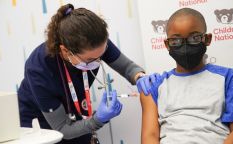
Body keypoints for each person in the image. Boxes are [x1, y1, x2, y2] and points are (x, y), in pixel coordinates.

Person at [17, 3, 146, 143]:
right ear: (65, 51)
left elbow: (128, 68)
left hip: (74, 111)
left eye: (100, 56)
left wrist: (140, 77)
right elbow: (62, 129)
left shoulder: (95, 43)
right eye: (90, 59)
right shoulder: (39, 69)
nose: (98, 61)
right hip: (40, 123)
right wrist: (97, 120)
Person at [138, 8, 233, 144]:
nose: (184, 46)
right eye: (175, 40)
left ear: (207, 39)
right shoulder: (153, 87)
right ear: (167, 44)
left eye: (194, 37)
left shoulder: (228, 78)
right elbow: (150, 136)